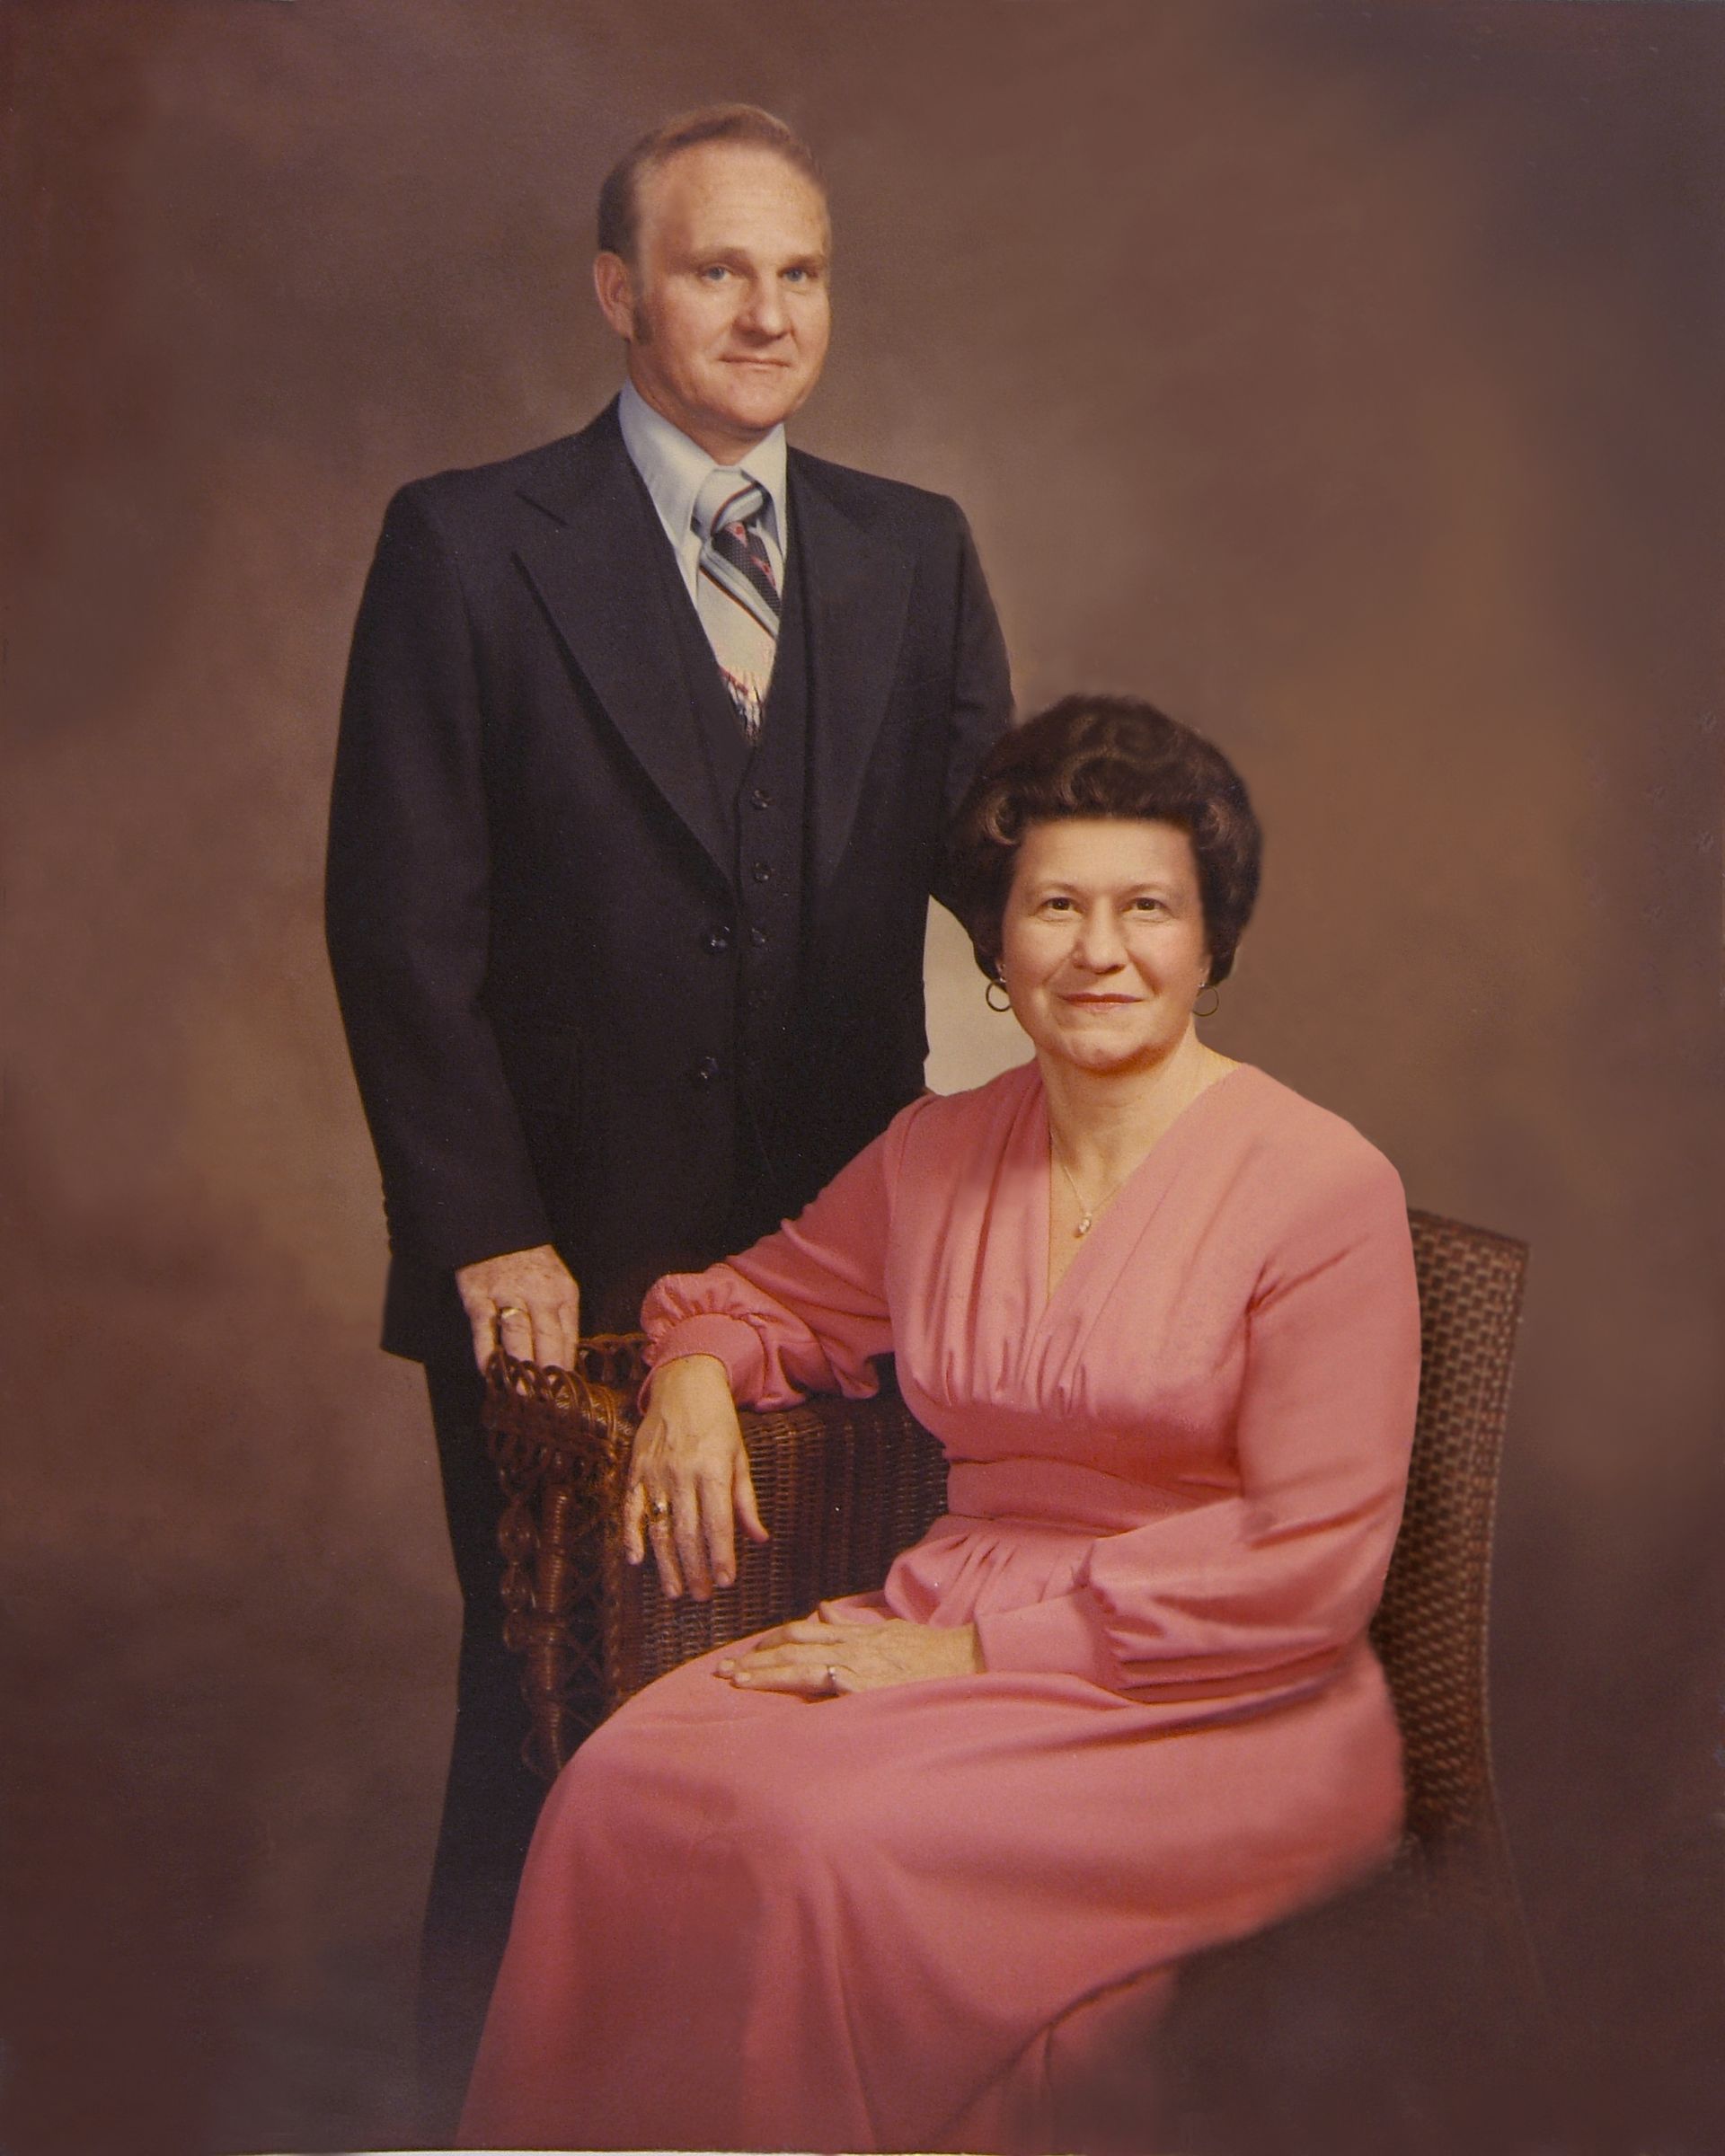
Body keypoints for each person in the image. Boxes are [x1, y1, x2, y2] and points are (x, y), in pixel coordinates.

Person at [456, 695, 1421, 2155]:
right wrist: (701, 1373)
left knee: (821, 1850)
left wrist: (977, 1650)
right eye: (1056, 907)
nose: (1099, 952)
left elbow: (1310, 1564)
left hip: (1218, 1697)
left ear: (1211, 939)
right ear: (998, 943)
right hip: (935, 1613)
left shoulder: (1324, 1188)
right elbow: (749, 1296)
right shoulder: (939, 1152)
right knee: (623, 1787)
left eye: (1147, 906)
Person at [323, 104, 1011, 2127]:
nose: (765, 310)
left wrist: (1147, 938)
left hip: (833, 1273)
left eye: (799, 271)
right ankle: (496, 2104)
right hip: (563, 1271)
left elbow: (1007, 879)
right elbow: (399, 922)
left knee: (814, 1715)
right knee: (552, 1716)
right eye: (718, 269)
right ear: (619, 291)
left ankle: (765, 2105)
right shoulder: (466, 543)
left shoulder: (915, 549)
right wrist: (481, 1229)